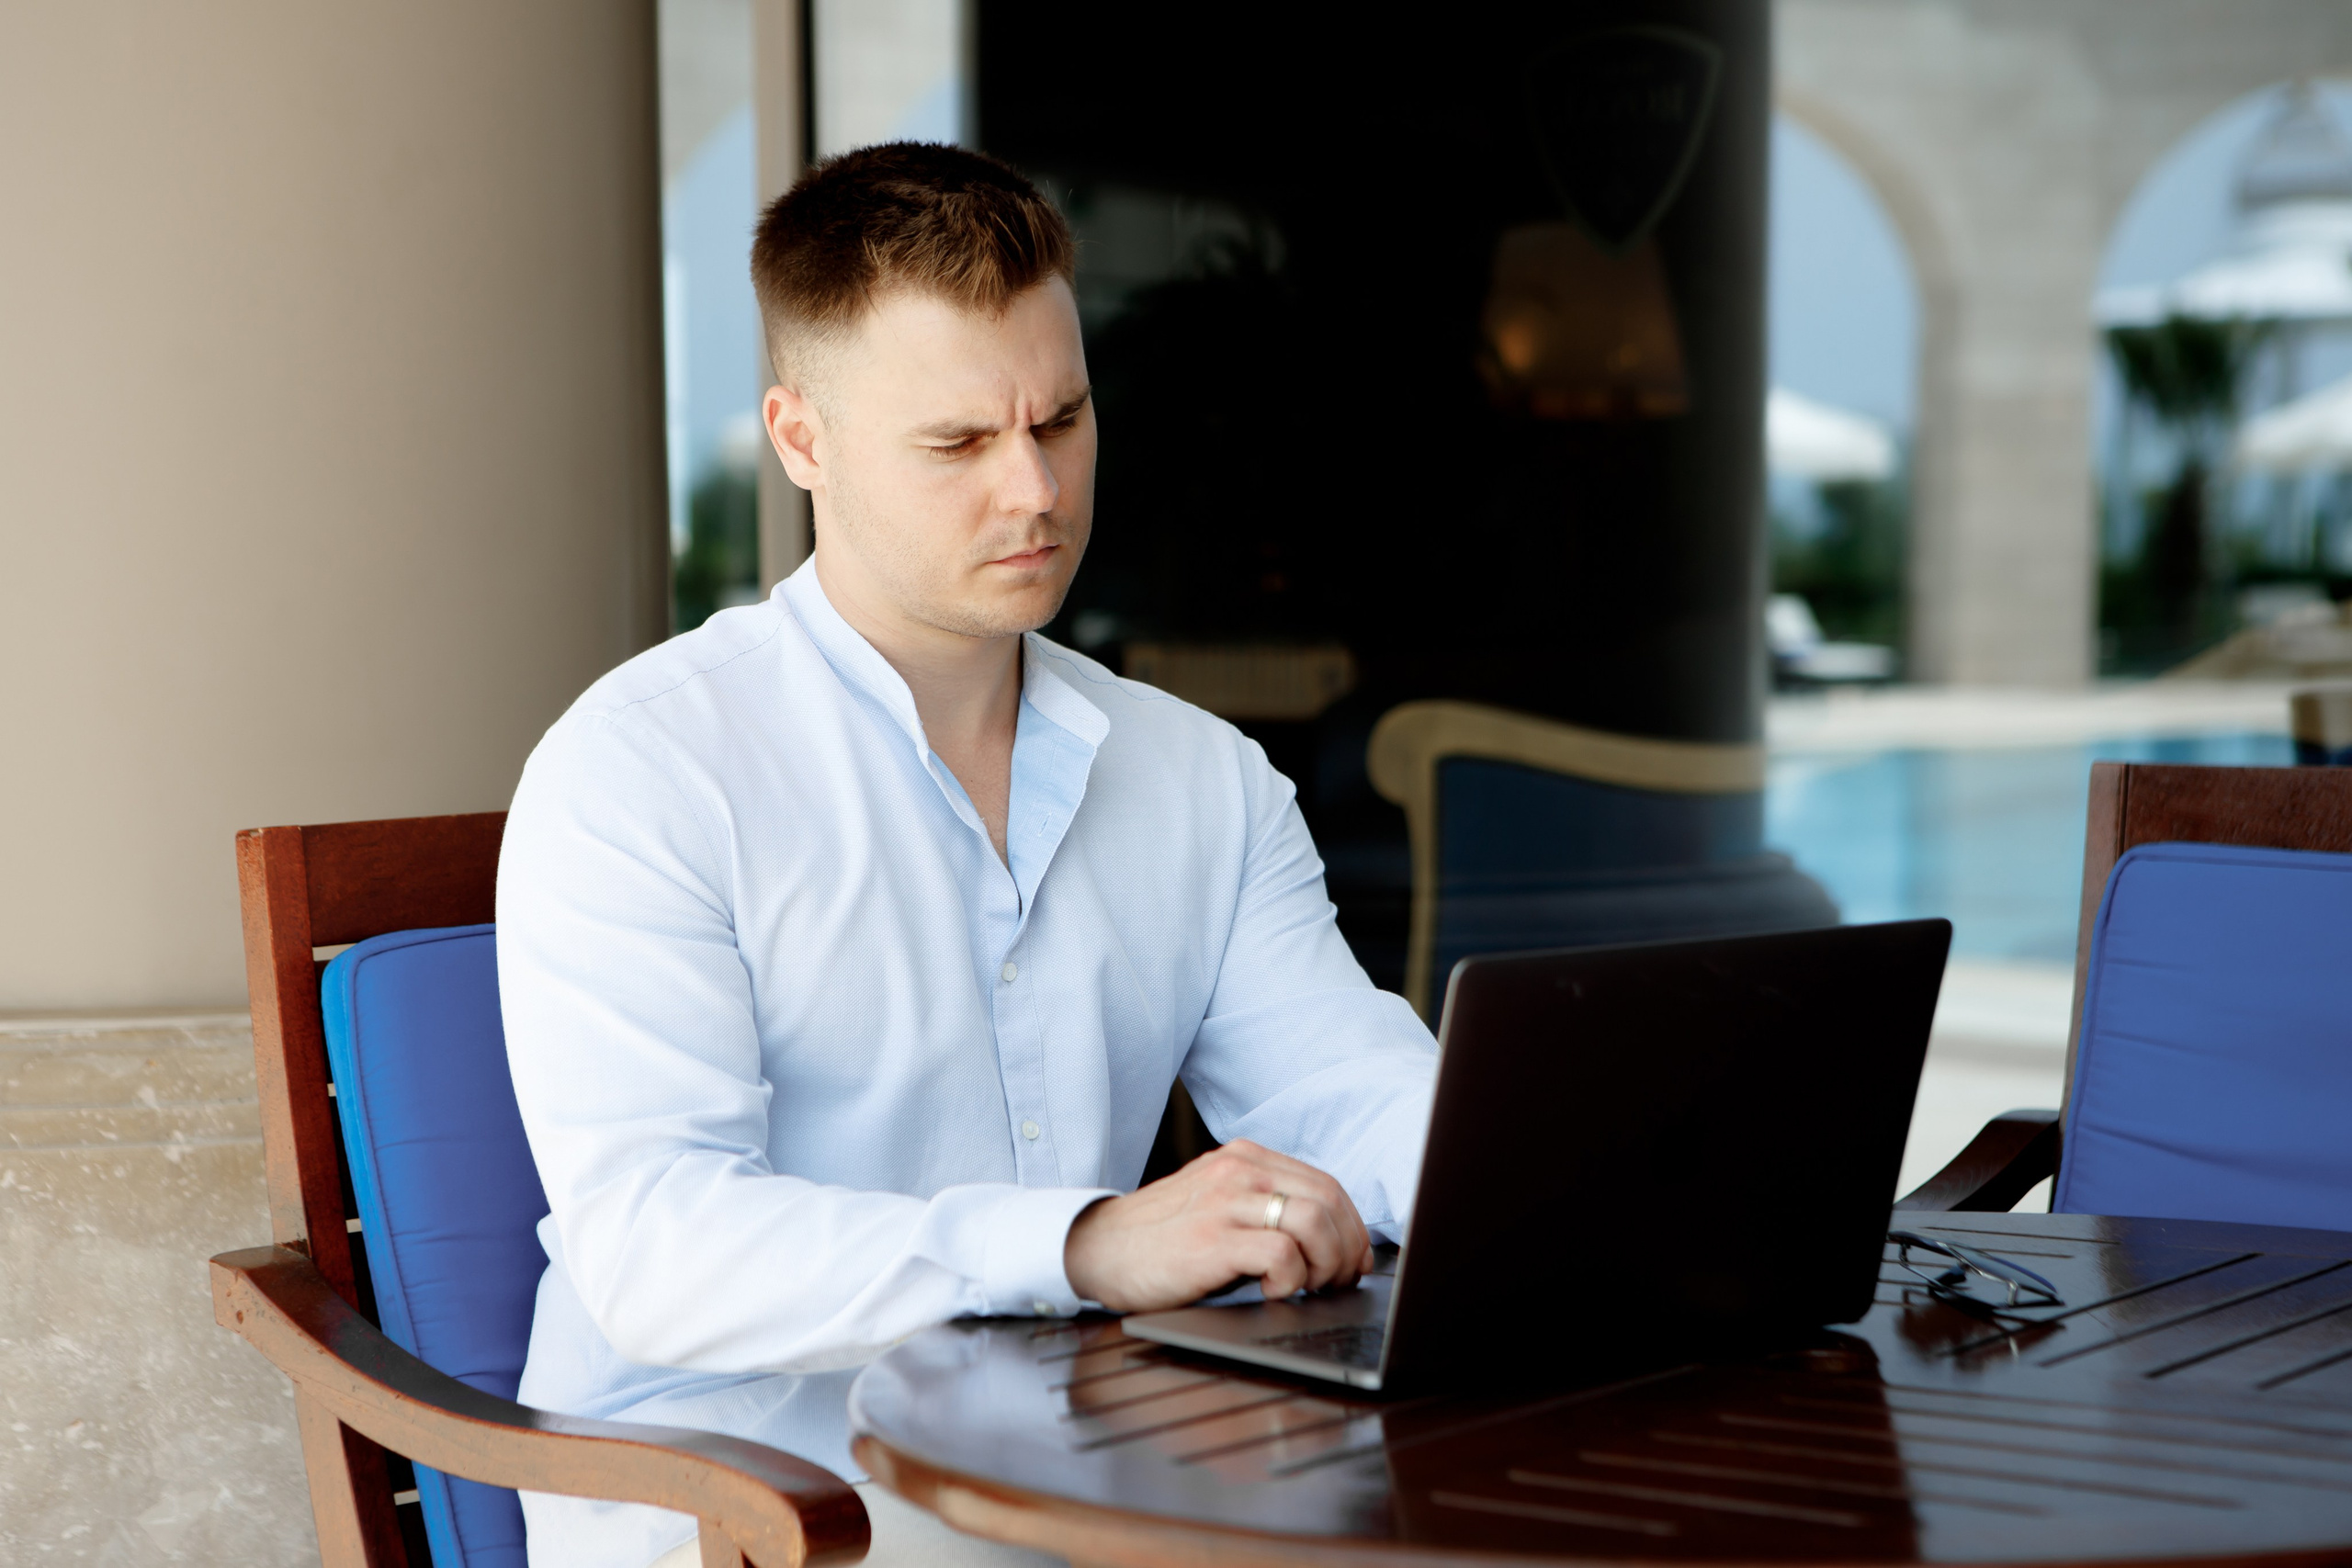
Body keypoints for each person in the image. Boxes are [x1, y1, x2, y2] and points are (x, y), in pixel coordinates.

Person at [498, 142, 1437, 1568]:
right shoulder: (641, 769)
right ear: (801, 439)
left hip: (1085, 1451)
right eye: (957, 444)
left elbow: (1346, 1090)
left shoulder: (1199, 779)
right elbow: (658, 1250)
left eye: (1060, 420)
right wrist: (1084, 1244)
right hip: (748, 1500)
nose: (1035, 491)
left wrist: (1582, 1195)